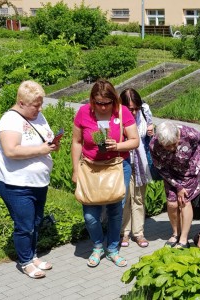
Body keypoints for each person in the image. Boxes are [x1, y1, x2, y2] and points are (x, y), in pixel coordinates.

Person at [0, 80, 59, 279]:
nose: (39, 109)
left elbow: (43, 137)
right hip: (16, 183)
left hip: (39, 182)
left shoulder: (38, 116)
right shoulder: (10, 121)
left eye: (41, 104)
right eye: (35, 105)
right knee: (24, 225)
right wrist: (41, 149)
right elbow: (11, 150)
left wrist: (52, 144)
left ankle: (33, 256)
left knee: (36, 222)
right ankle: (25, 262)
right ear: (21, 103)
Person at [71, 79, 139, 267]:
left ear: (114, 100)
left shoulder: (122, 112)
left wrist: (117, 145)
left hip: (116, 166)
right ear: (92, 100)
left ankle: (113, 249)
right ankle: (98, 245)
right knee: (90, 214)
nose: (102, 107)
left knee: (115, 210)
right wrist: (76, 169)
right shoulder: (83, 112)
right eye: (98, 103)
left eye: (106, 103)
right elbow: (76, 142)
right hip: (91, 167)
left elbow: (134, 141)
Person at [149, 121, 200, 249]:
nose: (171, 148)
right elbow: (160, 168)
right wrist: (177, 186)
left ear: (178, 136)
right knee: (172, 203)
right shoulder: (154, 145)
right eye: (167, 146)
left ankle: (184, 239)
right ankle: (175, 233)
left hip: (189, 171)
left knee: (184, 201)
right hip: (170, 173)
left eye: (173, 144)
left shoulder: (190, 134)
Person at [119, 88, 154, 248]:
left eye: (136, 108)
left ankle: (139, 233)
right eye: (130, 108)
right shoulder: (117, 116)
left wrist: (151, 131)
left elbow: (149, 137)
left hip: (140, 162)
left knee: (139, 198)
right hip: (123, 162)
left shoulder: (145, 112)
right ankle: (123, 233)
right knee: (124, 198)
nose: (133, 112)